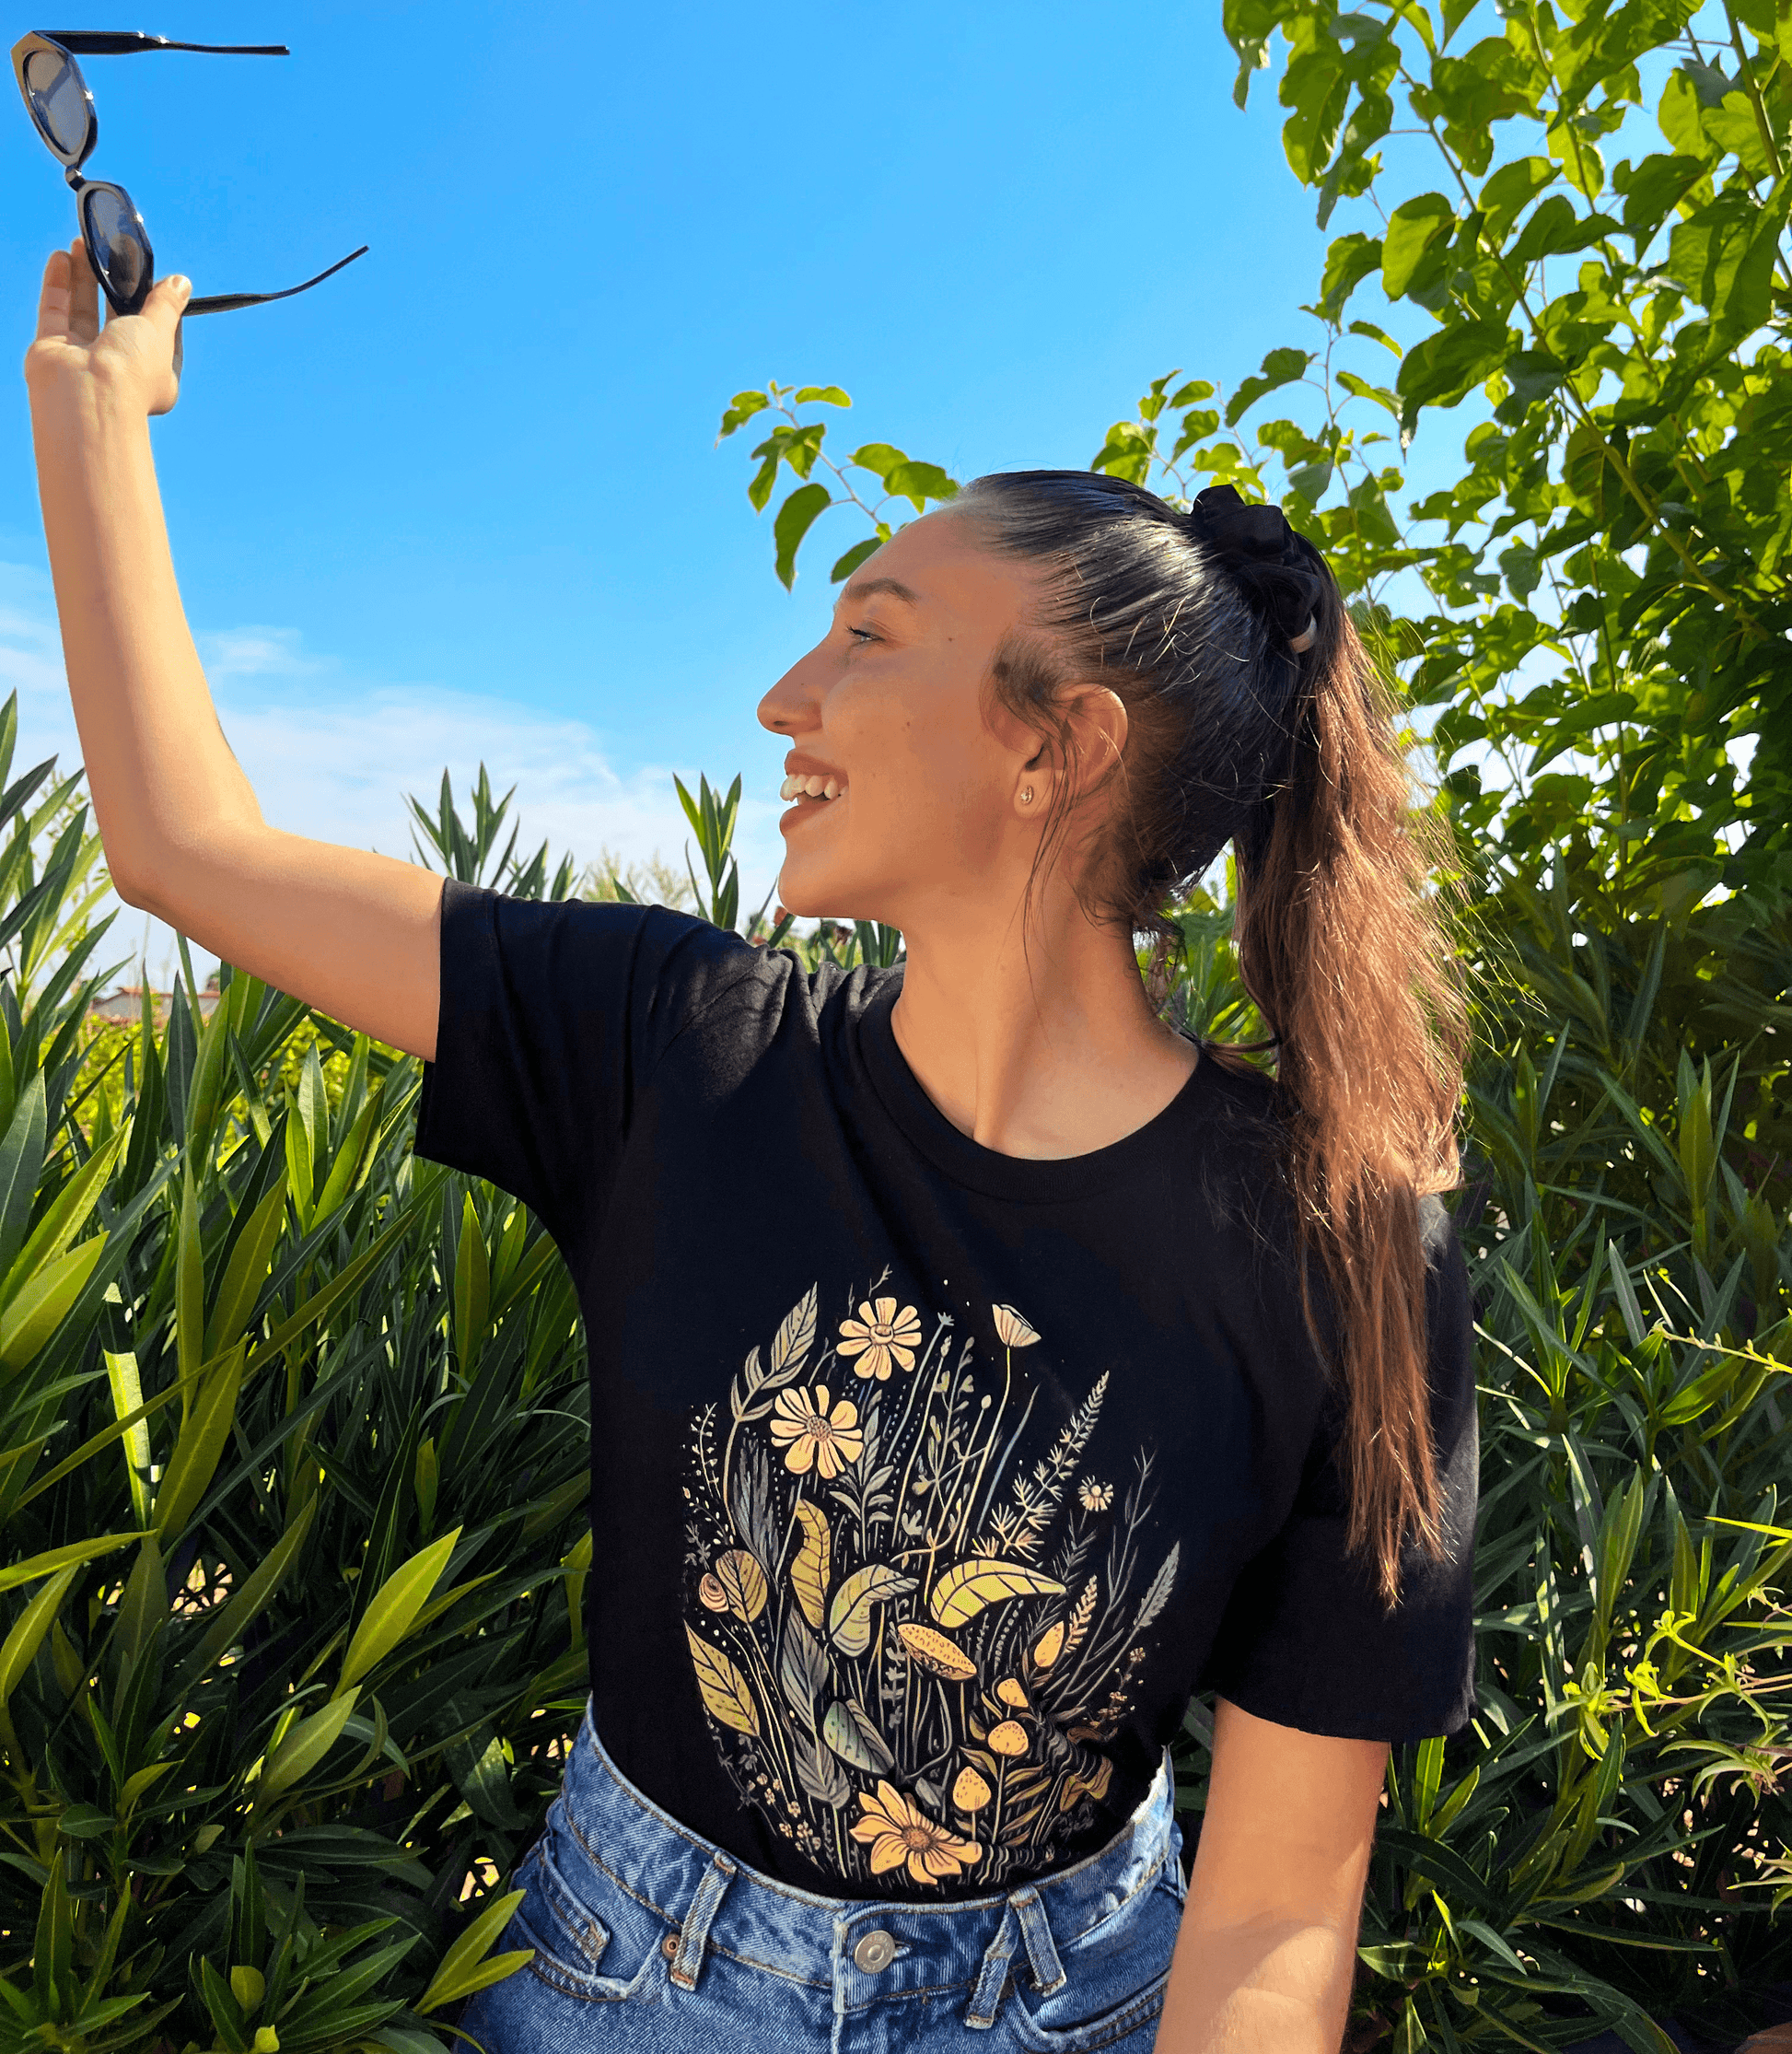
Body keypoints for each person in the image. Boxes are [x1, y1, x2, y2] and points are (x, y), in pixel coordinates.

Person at [24, 245, 1477, 2054]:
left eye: (868, 634)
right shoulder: (665, 1039)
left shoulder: (1342, 1242)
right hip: (627, 1981)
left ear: (1060, 747)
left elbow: (1271, 1911)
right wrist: (90, 423)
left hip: (1077, 2007)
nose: (784, 696)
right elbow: (186, 848)